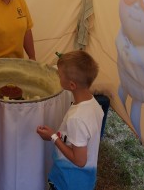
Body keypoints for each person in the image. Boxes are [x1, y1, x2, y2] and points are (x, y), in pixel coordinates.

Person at [36, 51, 104, 190]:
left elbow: (80, 160)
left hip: (68, 181)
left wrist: (53, 137)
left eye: (60, 75)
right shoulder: (94, 105)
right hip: (83, 181)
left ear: (72, 85)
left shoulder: (77, 119)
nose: (58, 76)